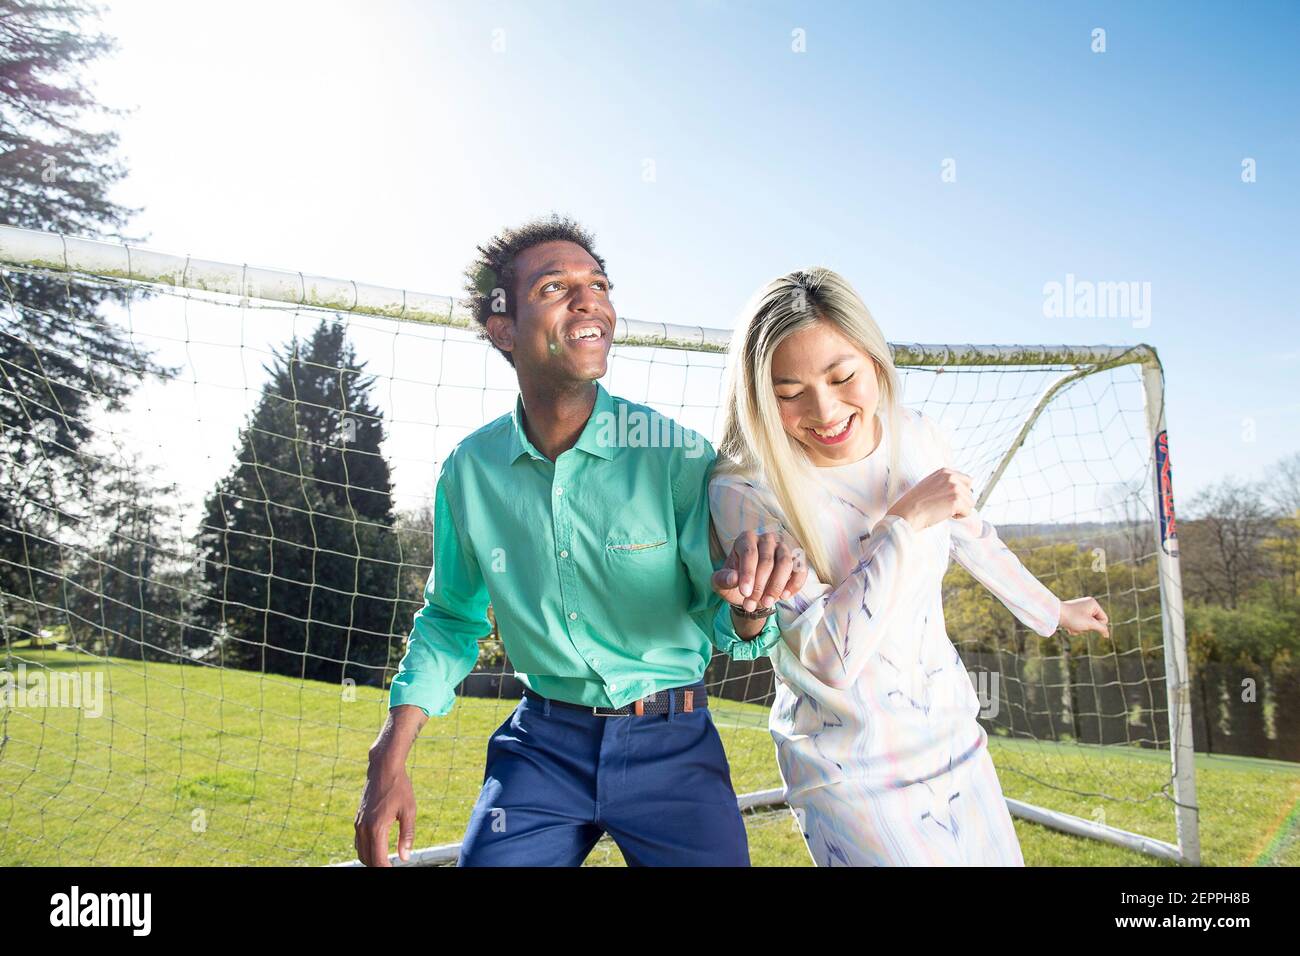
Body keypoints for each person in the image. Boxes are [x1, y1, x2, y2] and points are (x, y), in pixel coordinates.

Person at [354, 215, 805, 867]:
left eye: (597, 283)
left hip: (674, 743)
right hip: (542, 744)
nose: (588, 298)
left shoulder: (677, 458)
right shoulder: (471, 472)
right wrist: (388, 754)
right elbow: (452, 619)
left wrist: (750, 605)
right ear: (502, 327)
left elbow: (727, 622)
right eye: (554, 287)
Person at [707, 267, 1110, 866]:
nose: (825, 409)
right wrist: (901, 524)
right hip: (848, 769)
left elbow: (971, 532)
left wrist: (1052, 609)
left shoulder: (918, 436)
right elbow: (826, 658)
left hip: (954, 739)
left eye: (842, 376)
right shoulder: (745, 489)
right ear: (761, 396)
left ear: (874, 359)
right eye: (789, 392)